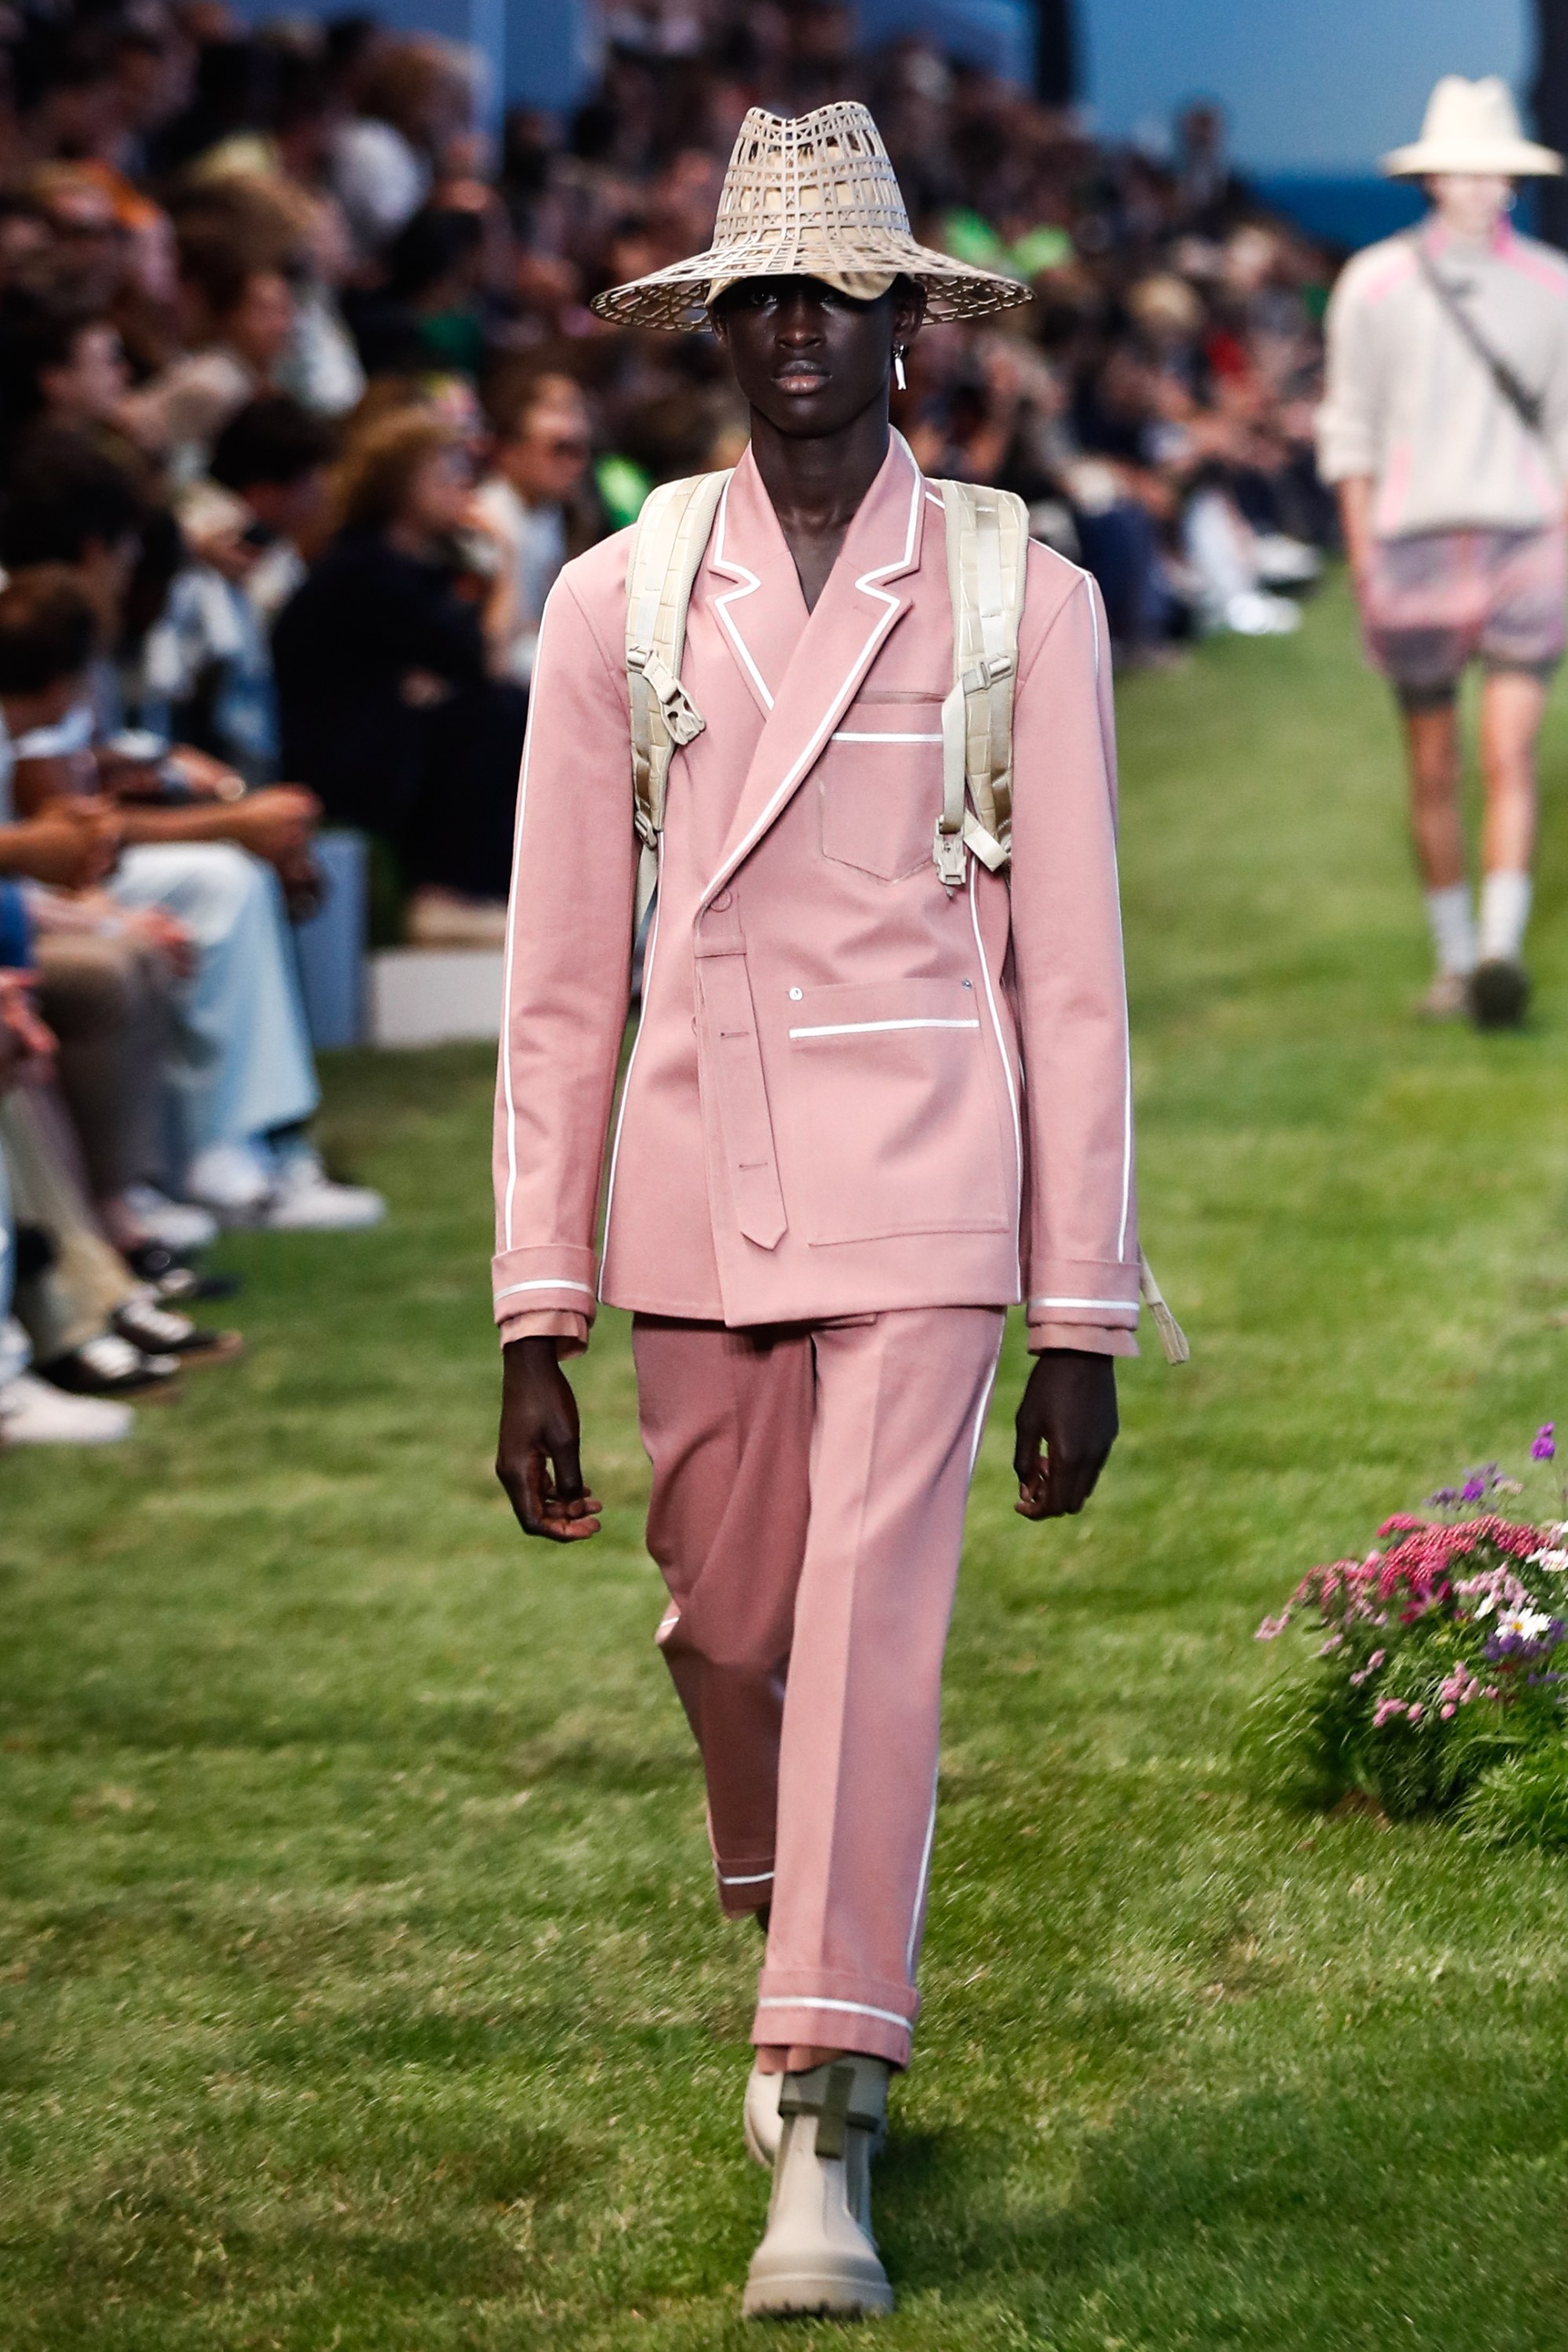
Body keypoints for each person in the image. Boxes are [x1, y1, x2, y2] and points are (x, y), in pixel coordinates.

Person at [492, 103, 1150, 2318]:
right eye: (757, 294)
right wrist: (531, 1302)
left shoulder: (1013, 593)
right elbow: (560, 973)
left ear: (904, 327)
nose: (796, 329)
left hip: (927, 1189)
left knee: (868, 1630)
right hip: (696, 1178)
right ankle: (797, 1930)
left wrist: (1081, 1308)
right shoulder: (613, 594)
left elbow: (1070, 975)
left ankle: (822, 2114)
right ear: (715, 328)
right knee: (728, 1630)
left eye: (835, 293)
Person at [1318, 77, 1568, 1028]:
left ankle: (1496, 954)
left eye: (1491, 169)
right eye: (1460, 168)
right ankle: (1456, 962)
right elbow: (1352, 428)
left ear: (1510, 179)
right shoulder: (1374, 283)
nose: (1476, 185)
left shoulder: (1550, 285)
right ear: (1432, 179)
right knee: (1432, 764)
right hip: (1413, 547)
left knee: (1507, 752)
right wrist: (1364, 554)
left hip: (1523, 540)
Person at [273, 407, 525, 940]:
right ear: (398, 487)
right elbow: (483, 658)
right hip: (341, 756)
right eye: (441, 474)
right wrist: (505, 559)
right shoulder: (365, 567)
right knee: (495, 711)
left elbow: (457, 663)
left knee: (498, 704)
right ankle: (446, 893)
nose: (460, 485)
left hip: (378, 735)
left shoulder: (412, 566)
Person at [472, 368, 594, 686]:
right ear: (509, 450)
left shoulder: (566, 515)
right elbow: (492, 652)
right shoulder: (482, 522)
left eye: (578, 452)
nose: (574, 466)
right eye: (560, 451)